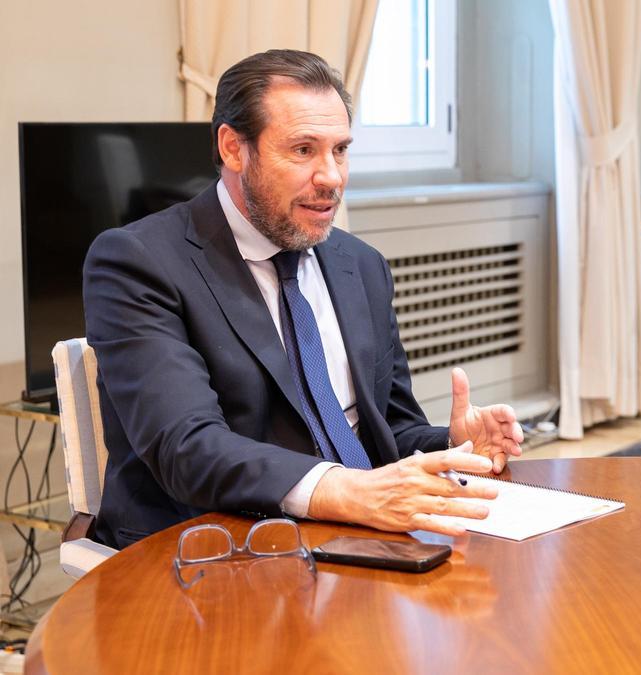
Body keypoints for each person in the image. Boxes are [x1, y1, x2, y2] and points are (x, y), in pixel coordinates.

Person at [83, 49, 523, 548]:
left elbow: (387, 430)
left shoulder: (361, 265)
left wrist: (453, 446)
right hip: (212, 546)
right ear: (232, 148)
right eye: (303, 150)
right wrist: (348, 492)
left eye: (339, 150)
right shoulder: (140, 261)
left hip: (357, 537)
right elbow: (189, 449)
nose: (331, 177)